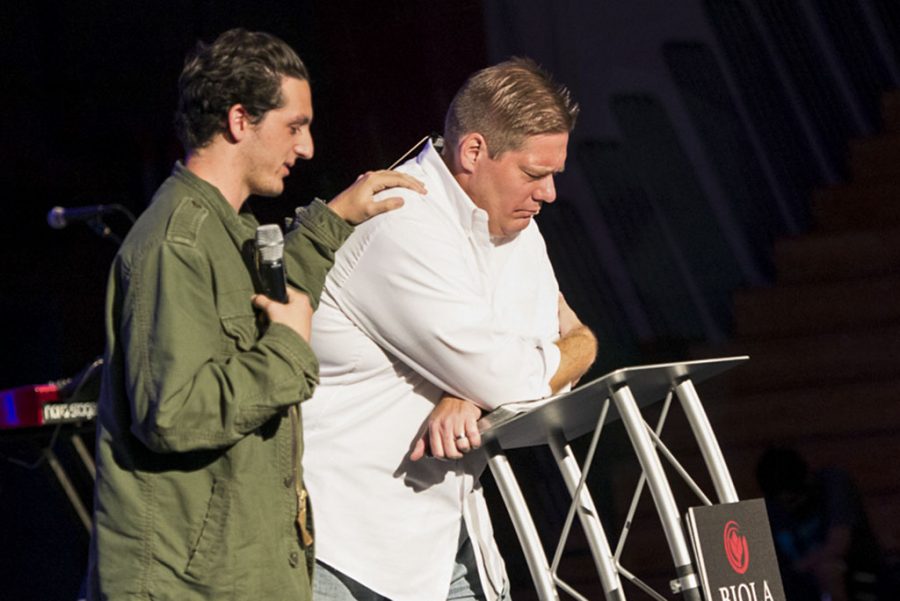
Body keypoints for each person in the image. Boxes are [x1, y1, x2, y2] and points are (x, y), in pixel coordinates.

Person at [86, 28, 424, 601]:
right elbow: (173, 414)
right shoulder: (177, 245)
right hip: (191, 587)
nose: (308, 147)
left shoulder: (227, 228)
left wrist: (334, 220)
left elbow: (266, 306)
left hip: (241, 575)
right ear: (240, 120)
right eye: (294, 126)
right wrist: (289, 352)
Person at [302, 58, 598, 601]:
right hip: (341, 543)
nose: (550, 193)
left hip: (441, 537)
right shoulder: (401, 218)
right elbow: (517, 371)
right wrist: (577, 346)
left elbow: (531, 379)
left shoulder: (519, 228)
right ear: (473, 152)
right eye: (535, 174)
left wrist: (474, 397)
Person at [757, 446, 895, 601]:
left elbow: (838, 545)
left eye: (793, 500)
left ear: (808, 480)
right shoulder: (770, 510)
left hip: (858, 575)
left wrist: (792, 570)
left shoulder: (833, 484)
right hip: (802, 584)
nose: (791, 509)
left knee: (829, 570)